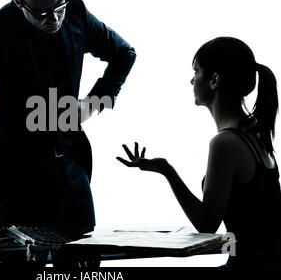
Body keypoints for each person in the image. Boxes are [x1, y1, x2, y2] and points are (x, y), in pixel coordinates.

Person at [0, 0, 136, 239]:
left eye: (59, 5)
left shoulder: (76, 13)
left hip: (72, 172)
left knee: (81, 270)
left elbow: (124, 53)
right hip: (13, 179)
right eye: (40, 13)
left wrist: (94, 102)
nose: (54, 18)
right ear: (18, 2)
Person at [117, 37, 281, 267]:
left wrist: (167, 171)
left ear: (214, 80)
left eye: (196, 71)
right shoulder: (257, 134)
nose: (191, 80)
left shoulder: (225, 143)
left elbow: (207, 224)